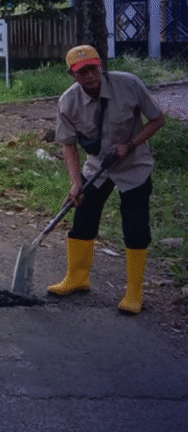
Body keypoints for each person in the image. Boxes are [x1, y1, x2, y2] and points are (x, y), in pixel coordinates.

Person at [49, 45, 164, 315]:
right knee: (83, 219)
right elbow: (67, 145)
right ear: (72, 74)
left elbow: (157, 120)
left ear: (101, 65)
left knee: (135, 226)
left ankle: (134, 291)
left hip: (134, 166)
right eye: (82, 72)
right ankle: (77, 278)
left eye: (93, 68)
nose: (90, 76)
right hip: (97, 167)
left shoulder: (129, 84)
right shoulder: (68, 101)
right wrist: (76, 182)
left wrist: (131, 144)